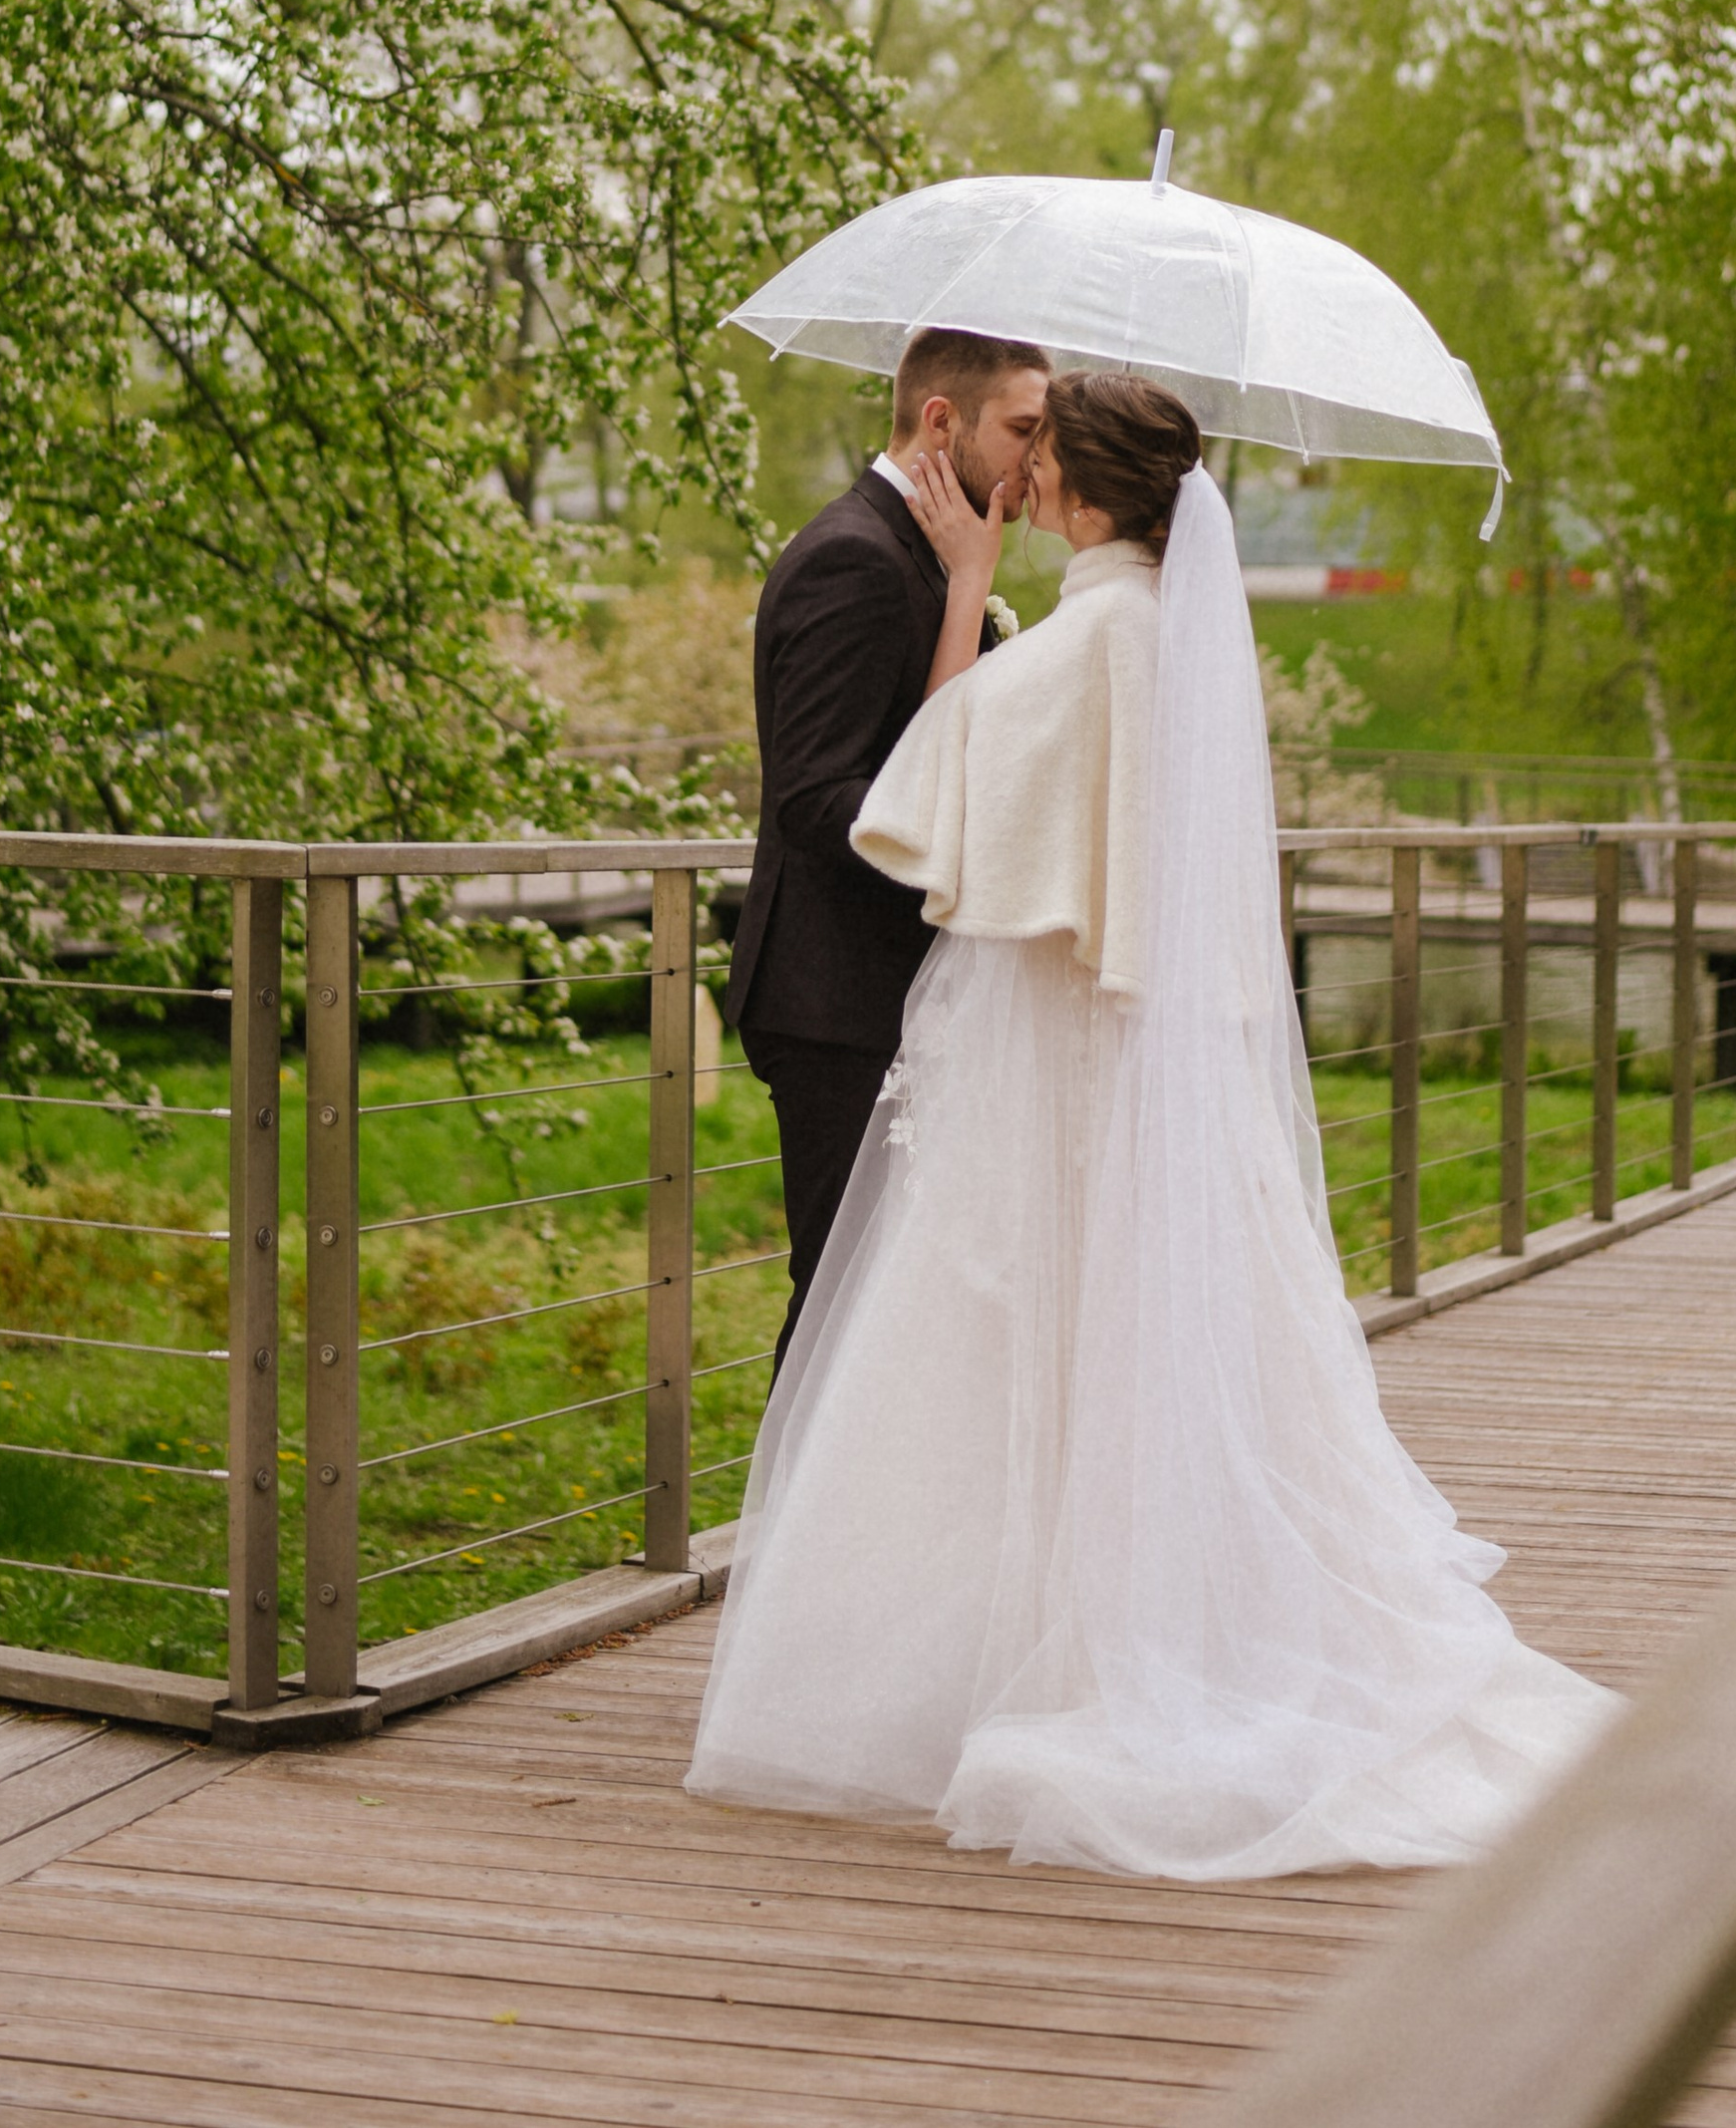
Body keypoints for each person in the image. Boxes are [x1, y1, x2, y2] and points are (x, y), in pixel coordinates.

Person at [690, 370, 1615, 1883]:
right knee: (1135, 1345)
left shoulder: (1079, 646)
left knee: (1025, 1339)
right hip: (1130, 1061)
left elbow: (928, 787)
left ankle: (1040, 1644)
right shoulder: (1168, 642)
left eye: (1040, 449)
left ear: (1087, 486)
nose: (1018, 467)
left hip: (1053, 1066)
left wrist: (971, 594)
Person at [726, 325, 1049, 1369]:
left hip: (897, 992)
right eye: (1021, 430)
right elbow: (819, 800)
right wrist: (965, 849)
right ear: (940, 420)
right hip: (837, 1004)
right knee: (841, 1304)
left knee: (896, 1305)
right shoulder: (852, 561)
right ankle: (789, 1536)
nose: (1035, 461)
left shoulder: (932, 555)